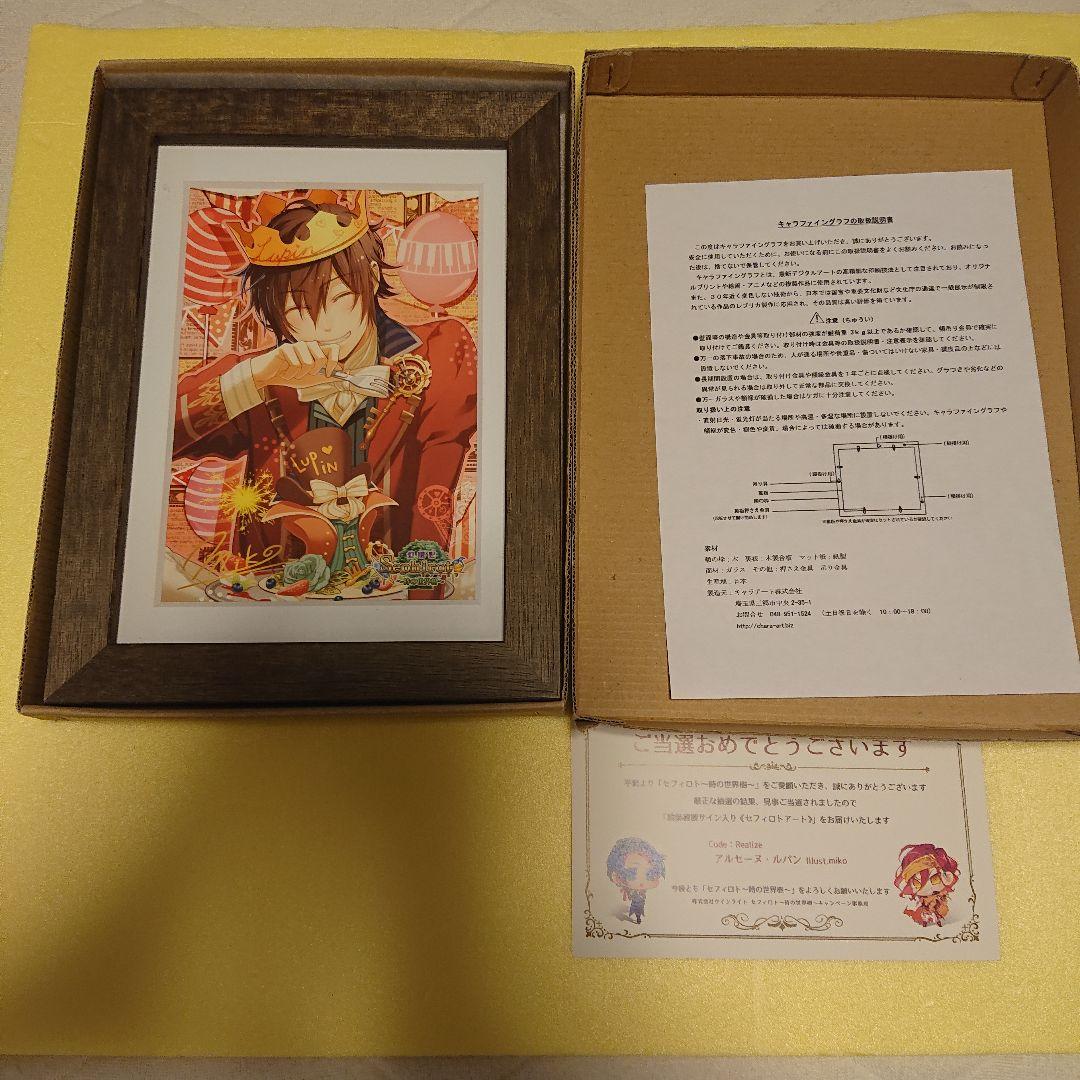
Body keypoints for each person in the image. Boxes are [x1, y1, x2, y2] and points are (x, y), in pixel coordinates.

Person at [173, 189, 477, 580]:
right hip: (272, 599)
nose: (325, 324)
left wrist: (419, 600)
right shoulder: (263, 376)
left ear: (370, 278)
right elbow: (154, 441)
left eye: (339, 297)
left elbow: (432, 503)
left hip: (390, 593)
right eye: (298, 308)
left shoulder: (438, 353)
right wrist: (253, 377)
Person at [893, 843, 960, 927]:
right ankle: (925, 921)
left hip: (936, 905)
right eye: (917, 884)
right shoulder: (922, 899)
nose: (928, 886)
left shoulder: (940, 894)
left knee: (938, 912)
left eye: (935, 878)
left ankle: (937, 921)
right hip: (925, 906)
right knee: (925, 913)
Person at [607, 837, 667, 924]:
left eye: (650, 872)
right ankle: (637, 917)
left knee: (638, 909)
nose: (642, 879)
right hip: (636, 903)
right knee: (636, 909)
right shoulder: (633, 890)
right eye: (633, 871)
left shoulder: (641, 892)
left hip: (639, 903)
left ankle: (638, 917)